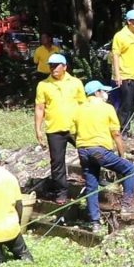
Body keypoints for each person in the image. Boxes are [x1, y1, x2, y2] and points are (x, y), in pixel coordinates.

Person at [73, 80, 134, 232]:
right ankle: (126, 206)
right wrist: (122, 154)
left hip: (83, 150)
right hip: (100, 150)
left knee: (91, 186)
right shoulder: (107, 108)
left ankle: (95, 223)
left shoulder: (78, 109)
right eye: (103, 91)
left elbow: (73, 132)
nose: (106, 94)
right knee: (130, 169)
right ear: (97, 93)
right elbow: (116, 134)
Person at [34, 52, 86, 204]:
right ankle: (61, 193)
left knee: (87, 153)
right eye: (51, 66)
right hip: (54, 129)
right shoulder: (43, 85)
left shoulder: (76, 82)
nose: (53, 69)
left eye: (56, 66)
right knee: (57, 162)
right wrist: (38, 129)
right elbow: (39, 108)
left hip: (75, 127)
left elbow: (83, 105)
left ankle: (91, 181)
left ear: (64, 67)